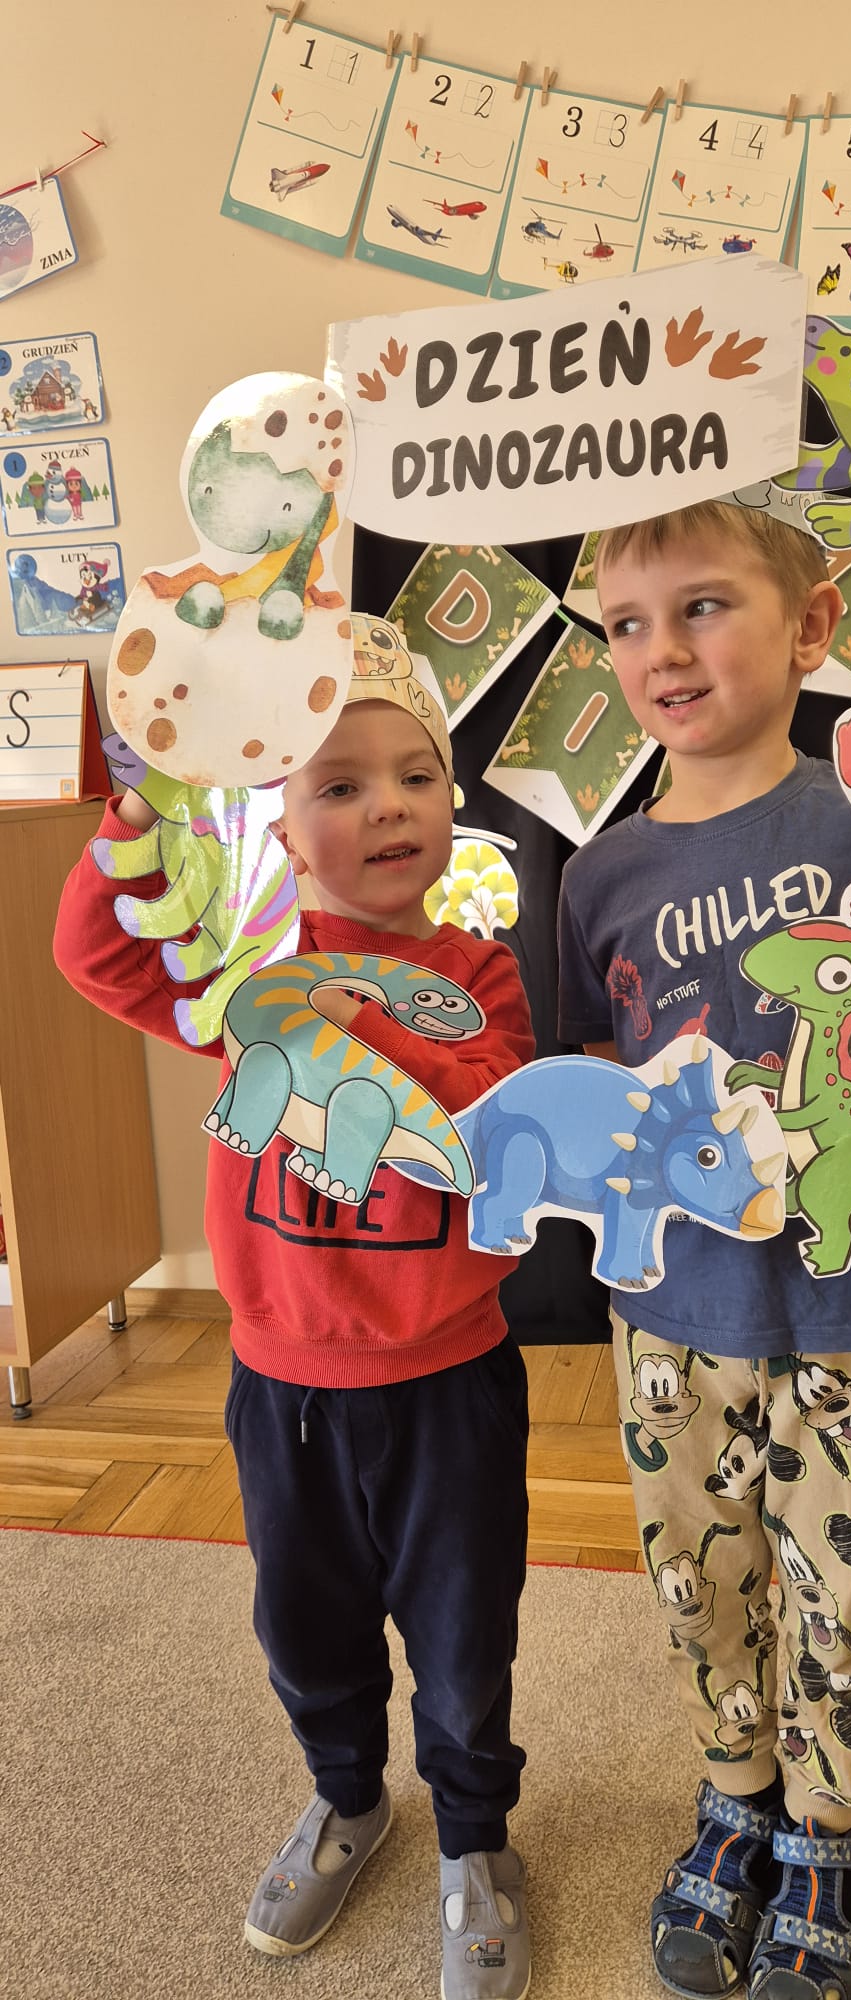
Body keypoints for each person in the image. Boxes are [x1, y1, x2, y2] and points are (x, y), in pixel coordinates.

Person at [55, 655, 536, 2000]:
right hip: (282, 1382)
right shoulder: (247, 966)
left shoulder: (478, 972)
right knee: (304, 1625)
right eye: (340, 786)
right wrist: (138, 811)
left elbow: (488, 1111)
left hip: (448, 1380)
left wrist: (359, 1029)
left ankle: (476, 1841)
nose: (389, 805)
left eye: (417, 775)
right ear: (275, 819)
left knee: (463, 1636)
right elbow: (98, 953)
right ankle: (347, 1797)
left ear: (451, 800)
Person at [556, 501, 851, 2000]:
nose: (662, 650)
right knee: (697, 1582)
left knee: (850, 1593)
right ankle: (736, 1800)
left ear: (814, 626)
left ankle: (828, 1832)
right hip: (672, 1317)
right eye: (626, 624)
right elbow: (594, 1081)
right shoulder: (599, 874)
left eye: (703, 606)